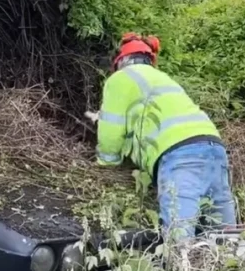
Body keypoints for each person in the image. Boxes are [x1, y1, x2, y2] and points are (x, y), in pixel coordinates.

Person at [86, 32, 236, 241]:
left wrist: (107, 164)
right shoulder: (163, 79)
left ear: (120, 62)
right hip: (214, 148)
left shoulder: (120, 79)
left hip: (180, 156)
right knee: (226, 238)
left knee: (179, 243)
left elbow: (111, 132)